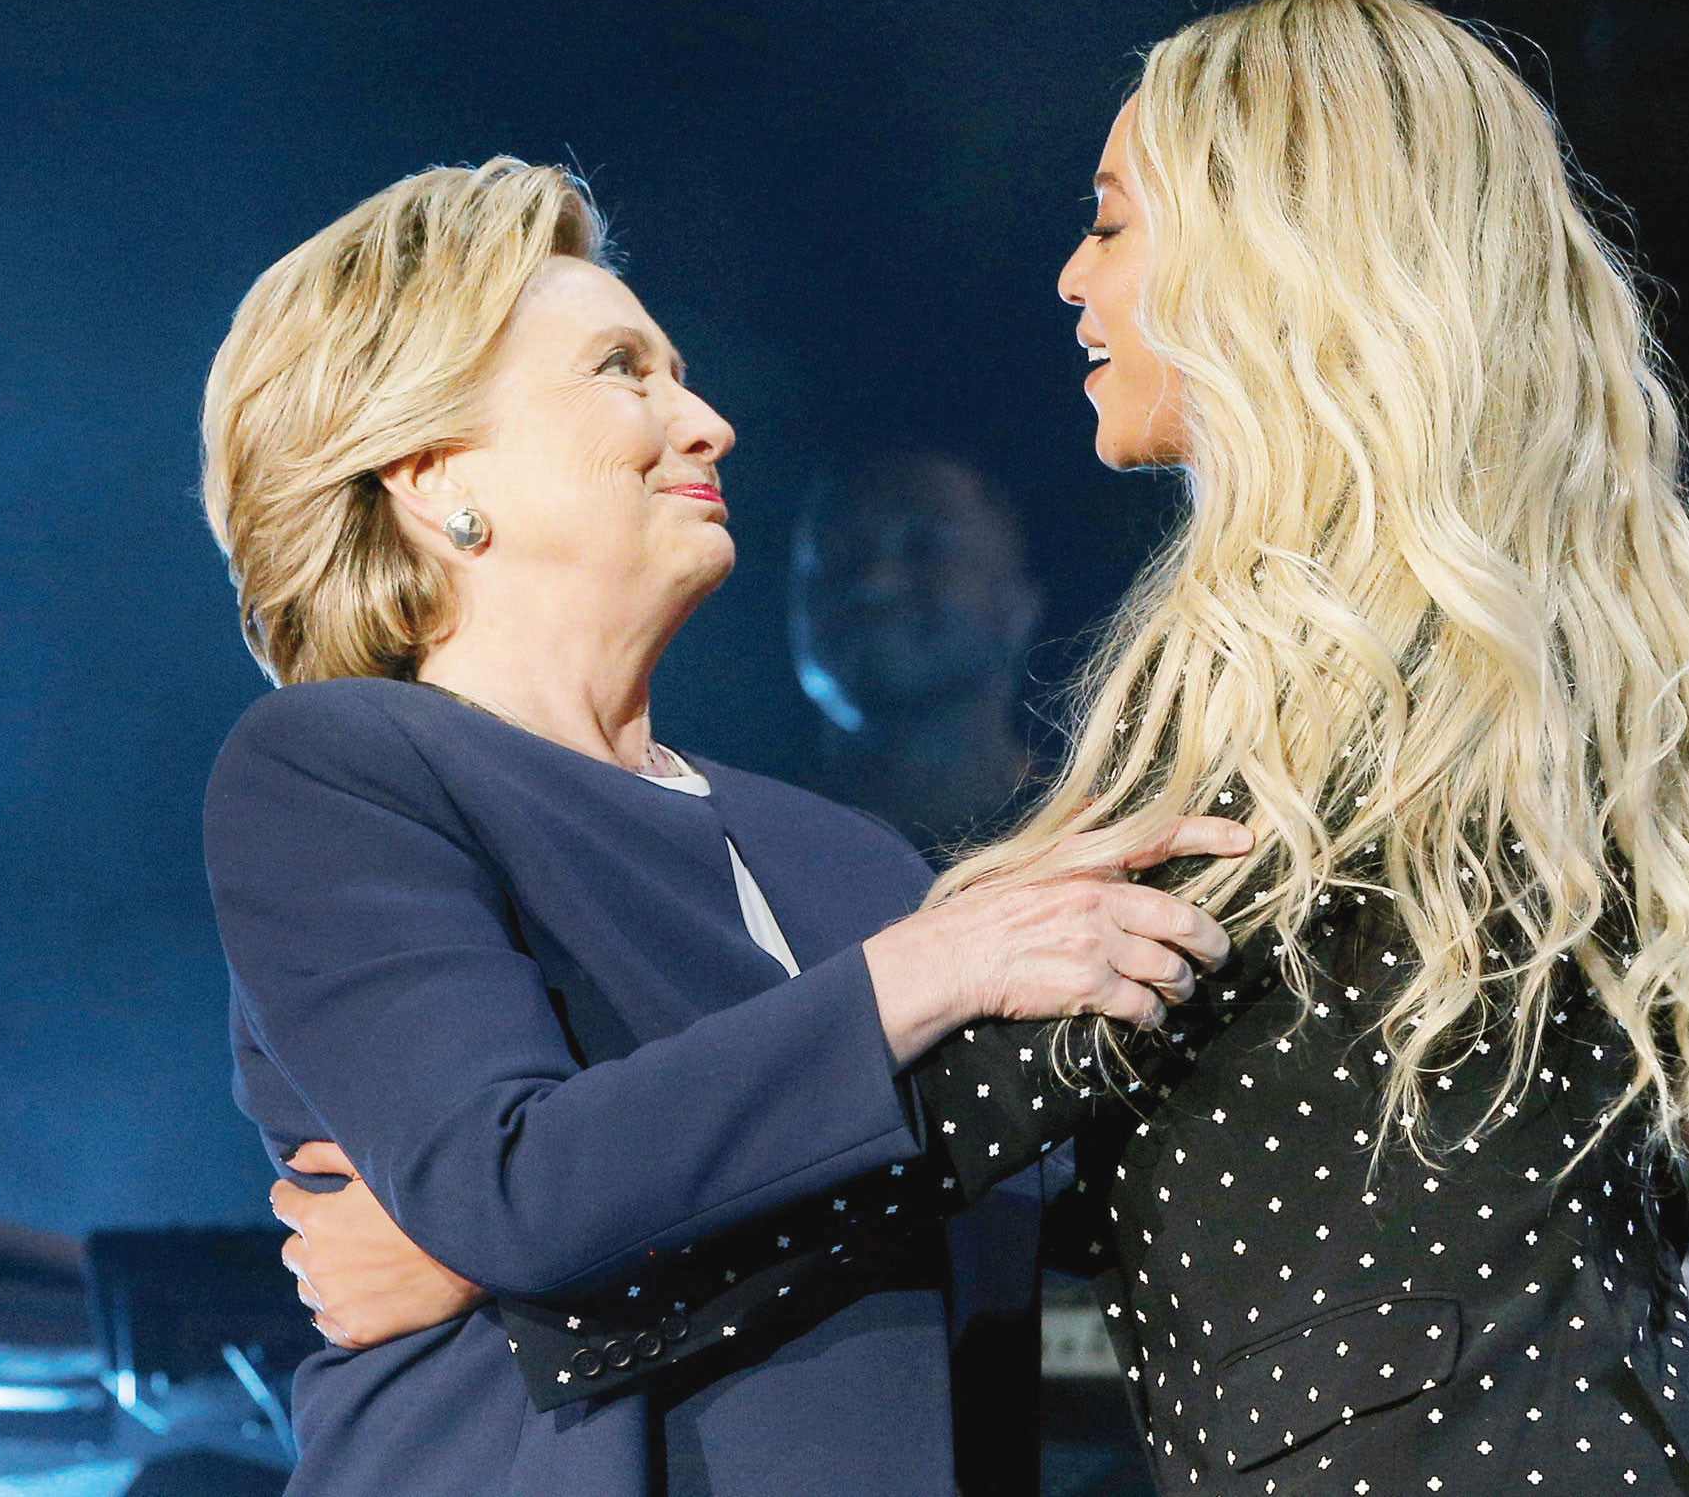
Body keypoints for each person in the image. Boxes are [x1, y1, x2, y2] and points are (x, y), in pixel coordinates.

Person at [277, 0, 1689, 1496]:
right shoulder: (1494, 638)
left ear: (1267, 254)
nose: (1072, 278)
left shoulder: (1338, 687)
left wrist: (510, 1260)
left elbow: (1000, 1086)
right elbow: (1196, 1132)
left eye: (1110, 224)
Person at [197, 157, 1245, 1496]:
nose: (705, 422)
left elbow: (972, 1197)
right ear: (426, 463)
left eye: (678, 374)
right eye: (622, 371)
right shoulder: (341, 767)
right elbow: (511, 1184)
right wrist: (936, 965)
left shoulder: (847, 855)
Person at [787, 449, 1044, 852]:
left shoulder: (1102, 840)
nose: (875, 582)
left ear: (1018, 607)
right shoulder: (737, 845)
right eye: (839, 555)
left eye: (925, 549)